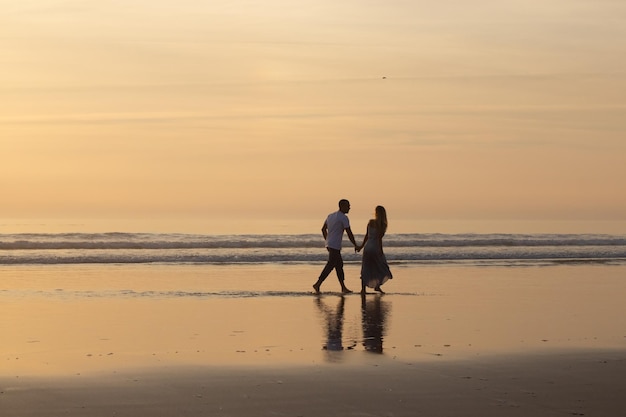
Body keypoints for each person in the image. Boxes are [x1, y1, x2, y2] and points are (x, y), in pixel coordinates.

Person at [313, 199, 357, 294]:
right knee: (331, 265)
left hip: (330, 245)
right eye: (348, 206)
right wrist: (355, 245)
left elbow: (323, 229)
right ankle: (317, 284)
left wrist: (327, 241)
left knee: (339, 266)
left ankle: (343, 287)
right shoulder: (343, 218)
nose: (349, 207)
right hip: (334, 245)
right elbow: (349, 233)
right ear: (342, 206)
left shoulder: (330, 216)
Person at [356, 205, 392, 294]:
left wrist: (361, 246)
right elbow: (379, 239)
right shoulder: (382, 224)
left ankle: (363, 289)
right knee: (380, 266)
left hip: (368, 247)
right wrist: (381, 250)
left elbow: (366, 236)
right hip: (375, 248)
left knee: (366, 268)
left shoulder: (371, 222)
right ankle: (377, 286)